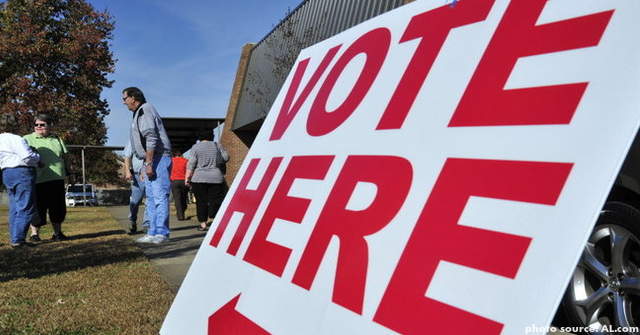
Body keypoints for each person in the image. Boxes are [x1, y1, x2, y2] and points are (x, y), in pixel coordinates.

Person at [123, 87, 172, 244]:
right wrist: (145, 164)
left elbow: (151, 137)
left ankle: (162, 233)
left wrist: (149, 163)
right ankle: (152, 232)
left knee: (159, 196)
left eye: (125, 98)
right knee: (150, 198)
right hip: (149, 160)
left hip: (159, 158)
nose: (123, 102)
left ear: (133, 98)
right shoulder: (138, 113)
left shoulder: (145, 109)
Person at [24, 114, 70, 241]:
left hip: (57, 179)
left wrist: (68, 173)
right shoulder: (27, 139)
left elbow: (65, 157)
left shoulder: (57, 139)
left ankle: (57, 233)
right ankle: (34, 234)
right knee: (38, 209)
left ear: (49, 126)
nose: (39, 127)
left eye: (42, 124)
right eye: (36, 124)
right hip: (37, 180)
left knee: (58, 208)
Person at [0, 132, 40, 247]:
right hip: (22, 172)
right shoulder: (16, 138)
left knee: (15, 207)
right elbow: (27, 157)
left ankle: (14, 237)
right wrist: (37, 157)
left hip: (7, 172)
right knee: (26, 206)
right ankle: (18, 239)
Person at [185, 130, 229, 231]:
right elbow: (226, 158)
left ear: (199, 137)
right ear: (212, 136)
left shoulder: (195, 147)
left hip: (199, 178)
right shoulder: (217, 145)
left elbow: (191, 164)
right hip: (216, 177)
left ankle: (203, 225)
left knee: (201, 202)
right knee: (215, 200)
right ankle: (213, 217)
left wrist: (187, 178)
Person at [123, 139, 150, 234]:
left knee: (149, 200)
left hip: (150, 174)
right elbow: (127, 156)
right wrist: (127, 171)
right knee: (135, 201)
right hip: (137, 175)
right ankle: (132, 221)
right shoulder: (132, 140)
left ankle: (147, 224)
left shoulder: (151, 139)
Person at [170, 150, 189, 220]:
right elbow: (189, 170)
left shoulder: (171, 161)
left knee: (177, 199)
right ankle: (182, 211)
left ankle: (180, 215)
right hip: (184, 181)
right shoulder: (186, 160)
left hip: (174, 181)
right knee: (184, 198)